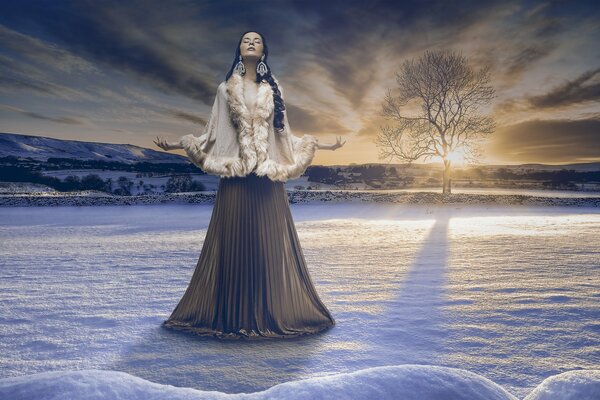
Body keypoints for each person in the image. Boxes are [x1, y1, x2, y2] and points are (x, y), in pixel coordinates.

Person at [153, 31, 345, 340]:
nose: (251, 42)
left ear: (265, 50)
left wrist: (321, 146)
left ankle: (268, 312)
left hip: (267, 182)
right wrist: (179, 144)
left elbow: (284, 135)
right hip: (237, 182)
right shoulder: (224, 90)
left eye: (256, 40)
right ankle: (232, 316)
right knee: (234, 244)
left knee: (266, 248)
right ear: (239, 51)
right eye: (246, 40)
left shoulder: (273, 90)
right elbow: (212, 133)